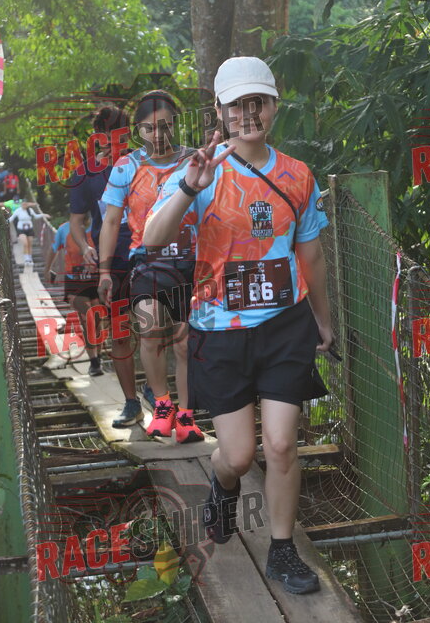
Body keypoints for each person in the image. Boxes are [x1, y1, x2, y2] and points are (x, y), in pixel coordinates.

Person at [144, 56, 333, 595]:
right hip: (220, 331)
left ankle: (282, 551)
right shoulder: (201, 170)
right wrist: (189, 186)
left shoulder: (297, 175)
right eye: (237, 105)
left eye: (259, 102)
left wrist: (323, 321)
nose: (249, 113)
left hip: (284, 325)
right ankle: (222, 485)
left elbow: (311, 254)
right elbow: (153, 238)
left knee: (281, 444)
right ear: (220, 111)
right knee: (239, 455)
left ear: (273, 106)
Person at [100, 90, 204, 444]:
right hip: (146, 261)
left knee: (184, 341)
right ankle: (162, 404)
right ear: (137, 130)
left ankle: (186, 414)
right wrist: (104, 271)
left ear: (176, 124)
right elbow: (111, 221)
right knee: (150, 327)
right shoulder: (126, 167)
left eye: (165, 126)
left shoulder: (195, 161)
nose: (158, 134)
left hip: (191, 260)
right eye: (149, 128)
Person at [69, 105, 154, 426]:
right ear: (97, 136)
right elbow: (76, 221)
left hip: (147, 254)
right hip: (111, 260)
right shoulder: (86, 173)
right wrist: (85, 246)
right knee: (120, 331)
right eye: (106, 133)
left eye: (119, 132)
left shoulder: (144, 162)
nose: (112, 139)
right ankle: (131, 403)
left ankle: (155, 391)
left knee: (152, 325)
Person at [44, 218, 104, 377]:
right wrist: (47, 269)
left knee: (98, 321)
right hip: (74, 280)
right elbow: (53, 249)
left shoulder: (100, 225)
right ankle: (94, 362)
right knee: (87, 319)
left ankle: (98, 356)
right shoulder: (64, 229)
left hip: (96, 279)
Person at [9, 201, 50, 266]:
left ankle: (30, 259)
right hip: (21, 230)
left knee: (29, 244)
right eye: (23, 204)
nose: (24, 205)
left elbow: (36, 216)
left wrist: (43, 215)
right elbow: (12, 218)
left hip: (30, 229)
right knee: (25, 243)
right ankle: (26, 259)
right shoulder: (18, 211)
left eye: (25, 204)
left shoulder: (30, 210)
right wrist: (5, 222)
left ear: (27, 204)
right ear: (21, 204)